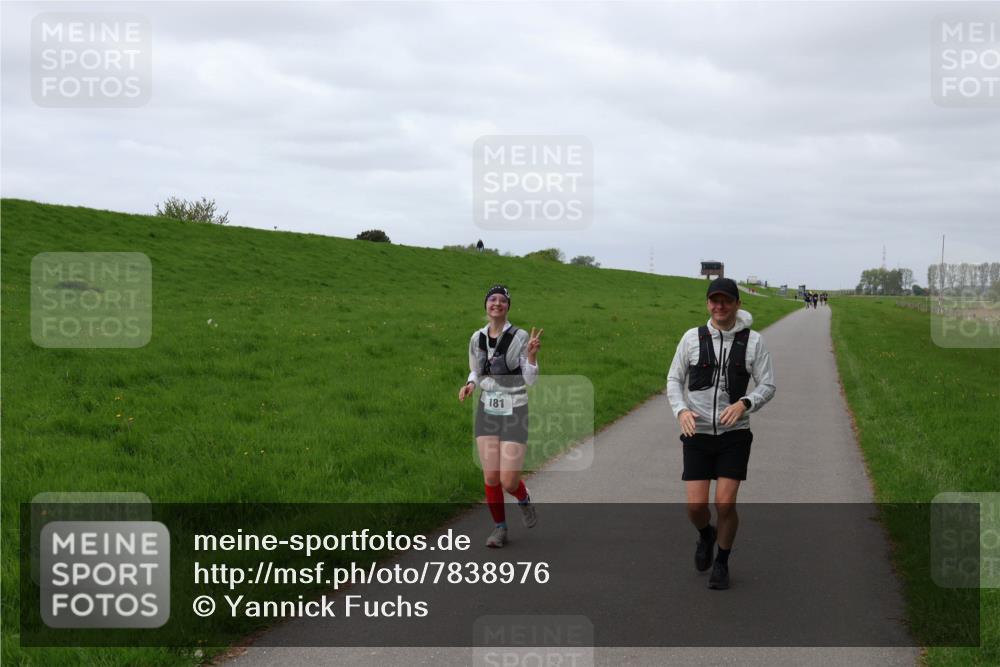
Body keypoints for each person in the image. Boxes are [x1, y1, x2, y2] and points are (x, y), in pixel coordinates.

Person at [666, 278, 775, 589]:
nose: (719, 306)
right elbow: (674, 380)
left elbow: (767, 385)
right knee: (696, 508)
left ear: (737, 304)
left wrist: (745, 403)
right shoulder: (691, 338)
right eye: (714, 300)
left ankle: (722, 562)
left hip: (734, 434)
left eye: (726, 300)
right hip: (697, 433)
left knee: (725, 504)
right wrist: (681, 410)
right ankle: (706, 534)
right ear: (707, 304)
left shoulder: (754, 342)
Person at [459, 285, 543, 548]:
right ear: (486, 305)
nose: (497, 303)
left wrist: (531, 356)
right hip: (488, 408)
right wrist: (471, 384)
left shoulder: (519, 337)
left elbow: (530, 380)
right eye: (492, 299)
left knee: (508, 480)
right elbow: (476, 370)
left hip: (515, 407)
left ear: (508, 306)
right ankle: (500, 528)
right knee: (491, 476)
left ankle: (523, 497)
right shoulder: (477, 338)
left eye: (502, 300)